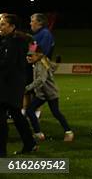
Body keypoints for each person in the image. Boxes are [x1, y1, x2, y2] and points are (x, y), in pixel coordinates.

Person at [0, 14, 37, 156]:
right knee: (16, 114)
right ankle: (30, 143)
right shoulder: (9, 41)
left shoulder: (14, 43)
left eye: (3, 24)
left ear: (12, 26)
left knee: (2, 118)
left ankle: (2, 152)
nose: (0, 27)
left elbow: (8, 65)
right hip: (12, 84)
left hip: (8, 85)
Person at [24, 44, 74, 142]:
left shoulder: (41, 64)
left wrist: (27, 88)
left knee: (55, 113)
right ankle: (39, 133)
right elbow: (53, 67)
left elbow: (41, 79)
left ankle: (68, 132)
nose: (28, 57)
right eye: (27, 55)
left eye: (31, 55)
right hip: (43, 93)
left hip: (49, 93)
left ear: (38, 55)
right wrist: (58, 62)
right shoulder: (43, 61)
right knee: (31, 111)